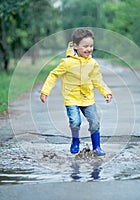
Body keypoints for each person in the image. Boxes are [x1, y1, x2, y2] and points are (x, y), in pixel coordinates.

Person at [40, 28, 112, 158]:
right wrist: (45, 91)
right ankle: (75, 141)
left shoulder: (92, 63)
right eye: (85, 46)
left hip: (88, 98)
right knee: (75, 121)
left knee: (95, 121)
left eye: (91, 46)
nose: (89, 49)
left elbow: (97, 80)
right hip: (71, 98)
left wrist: (106, 92)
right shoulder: (67, 63)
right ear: (75, 46)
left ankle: (97, 147)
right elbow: (53, 74)